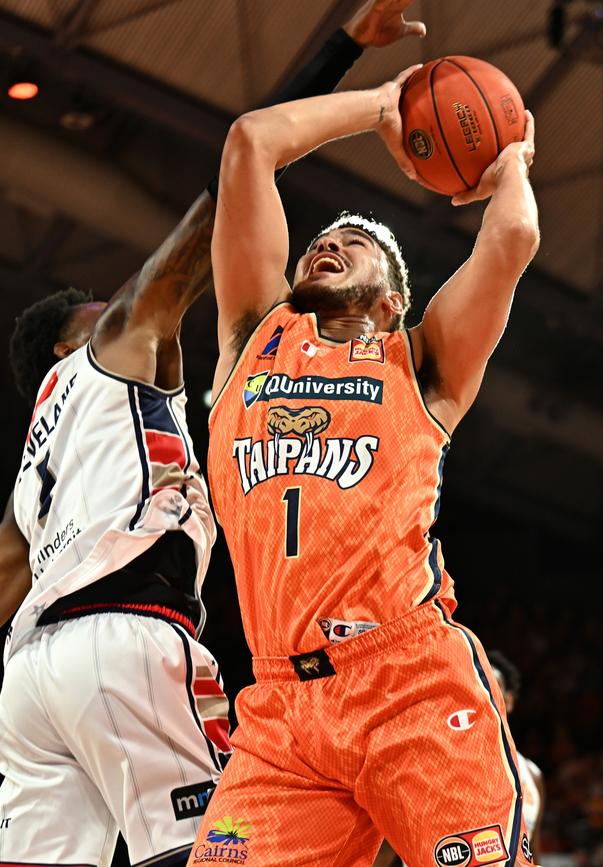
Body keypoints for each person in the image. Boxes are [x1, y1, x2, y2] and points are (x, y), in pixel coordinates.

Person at [0, 3, 424, 865]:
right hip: (124, 637)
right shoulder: (116, 341)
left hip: (27, 683)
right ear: (63, 338)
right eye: (98, 302)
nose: (124, 299)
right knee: (222, 850)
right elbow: (219, 201)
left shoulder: (33, 467)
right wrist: (343, 60)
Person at [191, 53, 540, 867]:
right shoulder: (251, 339)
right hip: (280, 708)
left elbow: (515, 235)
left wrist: (510, 160)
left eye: (354, 243)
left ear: (391, 299)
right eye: (321, 240)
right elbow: (249, 144)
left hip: (407, 680)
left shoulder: (420, 363)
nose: (328, 244)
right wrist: (384, 104)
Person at [489, 650, 546, 863]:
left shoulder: (533, 776)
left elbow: (533, 852)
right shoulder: (443, 760)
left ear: (509, 700)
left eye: (493, 686)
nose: (485, 694)